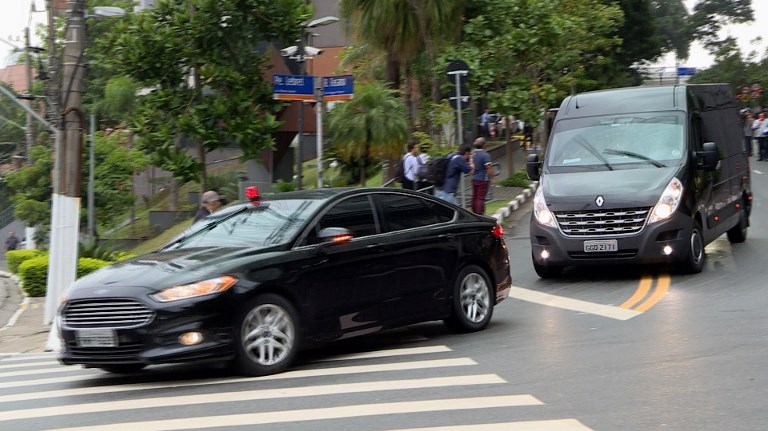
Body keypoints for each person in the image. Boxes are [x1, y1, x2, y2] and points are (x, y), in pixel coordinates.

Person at [470, 137, 495, 214]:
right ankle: (479, 213)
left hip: (474, 178)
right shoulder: (485, 155)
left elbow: (471, 166)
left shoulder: (473, 154)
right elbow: (488, 167)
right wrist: (493, 178)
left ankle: (474, 212)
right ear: (484, 145)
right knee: (480, 198)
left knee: (474, 196)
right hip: (483, 179)